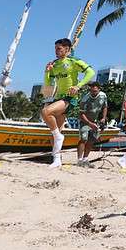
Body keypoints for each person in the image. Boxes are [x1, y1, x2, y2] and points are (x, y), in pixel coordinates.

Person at [40, 38, 95, 169]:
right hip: (58, 98)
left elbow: (91, 72)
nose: (56, 51)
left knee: (46, 112)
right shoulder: (54, 64)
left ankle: (59, 137)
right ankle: (57, 159)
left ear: (67, 49)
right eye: (55, 49)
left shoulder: (74, 61)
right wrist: (47, 71)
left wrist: (78, 86)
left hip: (70, 98)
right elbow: (48, 84)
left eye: (59, 49)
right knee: (55, 132)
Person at [76, 81, 107, 167]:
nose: (93, 93)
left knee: (92, 139)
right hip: (85, 120)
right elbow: (81, 114)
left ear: (99, 90)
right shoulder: (85, 98)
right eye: (92, 91)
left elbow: (105, 107)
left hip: (95, 121)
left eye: (95, 91)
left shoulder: (103, 96)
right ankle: (79, 160)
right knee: (83, 138)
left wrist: (103, 118)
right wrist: (89, 123)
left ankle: (85, 159)